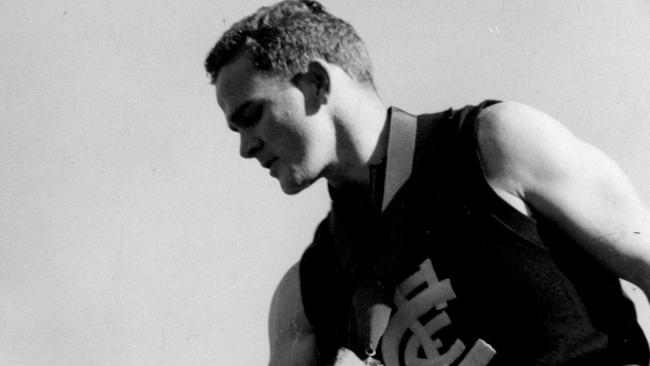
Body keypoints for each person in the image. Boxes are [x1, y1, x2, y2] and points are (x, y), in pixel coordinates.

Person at [205, 1, 650, 365]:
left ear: (317, 82)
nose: (245, 148)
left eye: (251, 115)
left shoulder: (497, 143)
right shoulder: (305, 293)